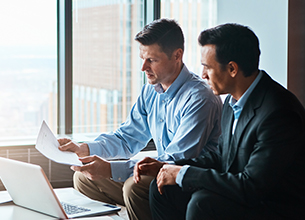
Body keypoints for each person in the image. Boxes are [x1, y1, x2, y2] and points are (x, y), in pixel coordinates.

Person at [136, 23, 305, 219]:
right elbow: (221, 158)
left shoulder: (278, 112)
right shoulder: (232, 102)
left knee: (203, 203)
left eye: (207, 67)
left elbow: (252, 186)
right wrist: (167, 167)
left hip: (275, 206)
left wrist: (183, 174)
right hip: (245, 192)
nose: (203, 75)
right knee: (163, 190)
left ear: (232, 68)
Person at [58, 18, 222, 220]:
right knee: (84, 178)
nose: (143, 67)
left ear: (177, 55)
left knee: (134, 187)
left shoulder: (200, 98)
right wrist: (84, 149)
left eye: (151, 60)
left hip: (186, 182)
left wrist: (110, 168)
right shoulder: (150, 92)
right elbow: (126, 138)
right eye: (142, 59)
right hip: (160, 173)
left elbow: (176, 160)